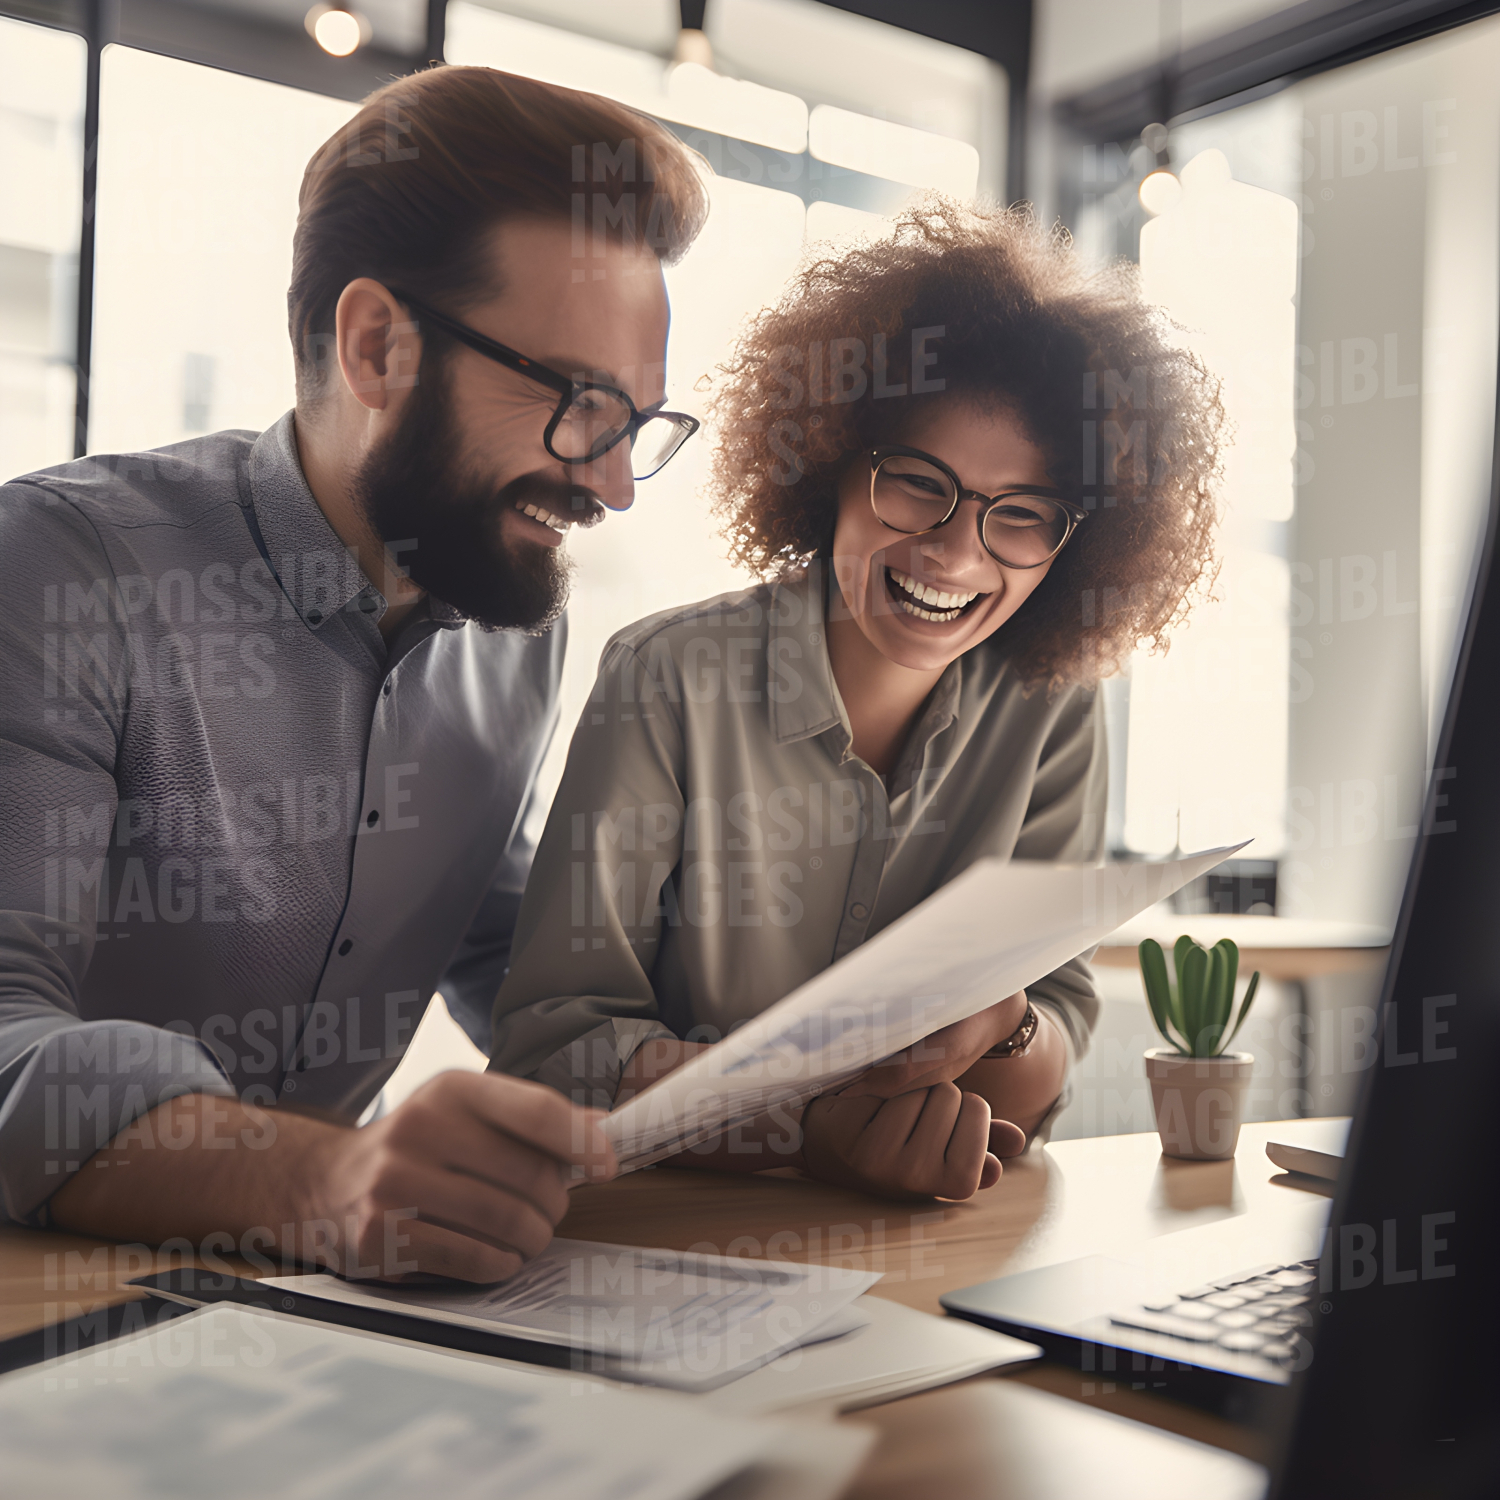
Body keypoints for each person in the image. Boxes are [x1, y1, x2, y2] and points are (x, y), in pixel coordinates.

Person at [0, 65, 709, 1280]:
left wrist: (719, 1083)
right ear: (378, 345)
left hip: (318, 1328)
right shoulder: (67, 565)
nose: (613, 485)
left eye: (637, 425)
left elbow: (504, 949)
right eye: (583, 407)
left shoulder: (514, 630)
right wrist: (322, 1179)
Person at [490, 202, 1223, 1199]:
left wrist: (998, 1022)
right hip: (660, 1246)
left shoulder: (1055, 707)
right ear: (831, 461)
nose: (958, 553)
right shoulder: (669, 677)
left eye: (1023, 517)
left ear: (1075, 542)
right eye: (918, 483)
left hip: (922, 1245)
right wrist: (807, 1127)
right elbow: (553, 1049)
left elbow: (1052, 1035)